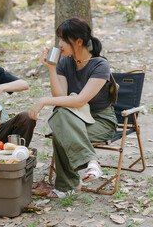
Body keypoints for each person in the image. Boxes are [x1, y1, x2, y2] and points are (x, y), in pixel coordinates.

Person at [29, 18, 117, 198]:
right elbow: (60, 98)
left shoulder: (100, 65)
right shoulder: (65, 63)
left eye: (63, 39)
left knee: (61, 129)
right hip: (75, 119)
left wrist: (43, 101)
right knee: (60, 114)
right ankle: (91, 162)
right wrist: (52, 68)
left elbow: (80, 101)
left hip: (100, 121)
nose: (59, 44)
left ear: (78, 41)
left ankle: (68, 186)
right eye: (59, 39)